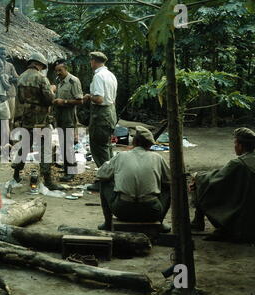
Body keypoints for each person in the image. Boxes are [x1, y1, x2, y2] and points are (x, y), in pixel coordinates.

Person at [97, 126, 171, 232]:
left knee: (104, 183)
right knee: (168, 187)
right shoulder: (157, 157)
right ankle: (160, 222)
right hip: (152, 212)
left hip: (122, 211)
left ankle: (108, 223)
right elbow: (170, 179)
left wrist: (117, 177)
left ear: (134, 142)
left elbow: (101, 174)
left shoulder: (121, 156)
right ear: (149, 145)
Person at [190, 127, 255, 243]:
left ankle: (199, 221)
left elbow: (214, 179)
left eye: (235, 143)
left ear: (240, 145)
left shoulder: (237, 163)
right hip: (251, 209)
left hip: (241, 212)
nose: (234, 146)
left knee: (200, 184)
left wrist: (196, 176)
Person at [12, 52, 64, 191]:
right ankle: (47, 180)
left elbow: (20, 99)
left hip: (26, 117)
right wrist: (52, 90)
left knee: (25, 146)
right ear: (39, 64)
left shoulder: (21, 77)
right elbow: (49, 99)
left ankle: (16, 173)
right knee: (45, 148)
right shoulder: (41, 78)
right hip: (40, 119)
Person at [83, 52, 118, 192]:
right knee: (107, 146)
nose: (90, 63)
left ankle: (104, 181)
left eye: (91, 60)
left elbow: (99, 99)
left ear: (94, 61)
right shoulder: (110, 75)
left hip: (101, 114)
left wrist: (88, 96)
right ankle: (111, 177)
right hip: (111, 112)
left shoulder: (98, 76)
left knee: (98, 148)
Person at [53, 61, 84, 182]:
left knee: (68, 144)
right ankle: (67, 168)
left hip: (69, 117)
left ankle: (71, 171)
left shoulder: (73, 81)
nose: (58, 73)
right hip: (60, 117)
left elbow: (80, 100)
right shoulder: (60, 82)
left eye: (60, 70)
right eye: (56, 71)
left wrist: (64, 102)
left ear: (66, 69)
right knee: (63, 143)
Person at [0, 47, 19, 128]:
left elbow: (17, 79)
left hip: (10, 95)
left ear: (6, 56)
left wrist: (9, 79)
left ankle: (10, 137)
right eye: (0, 54)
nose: (2, 56)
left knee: (10, 118)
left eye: (4, 54)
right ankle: (0, 137)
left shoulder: (10, 66)